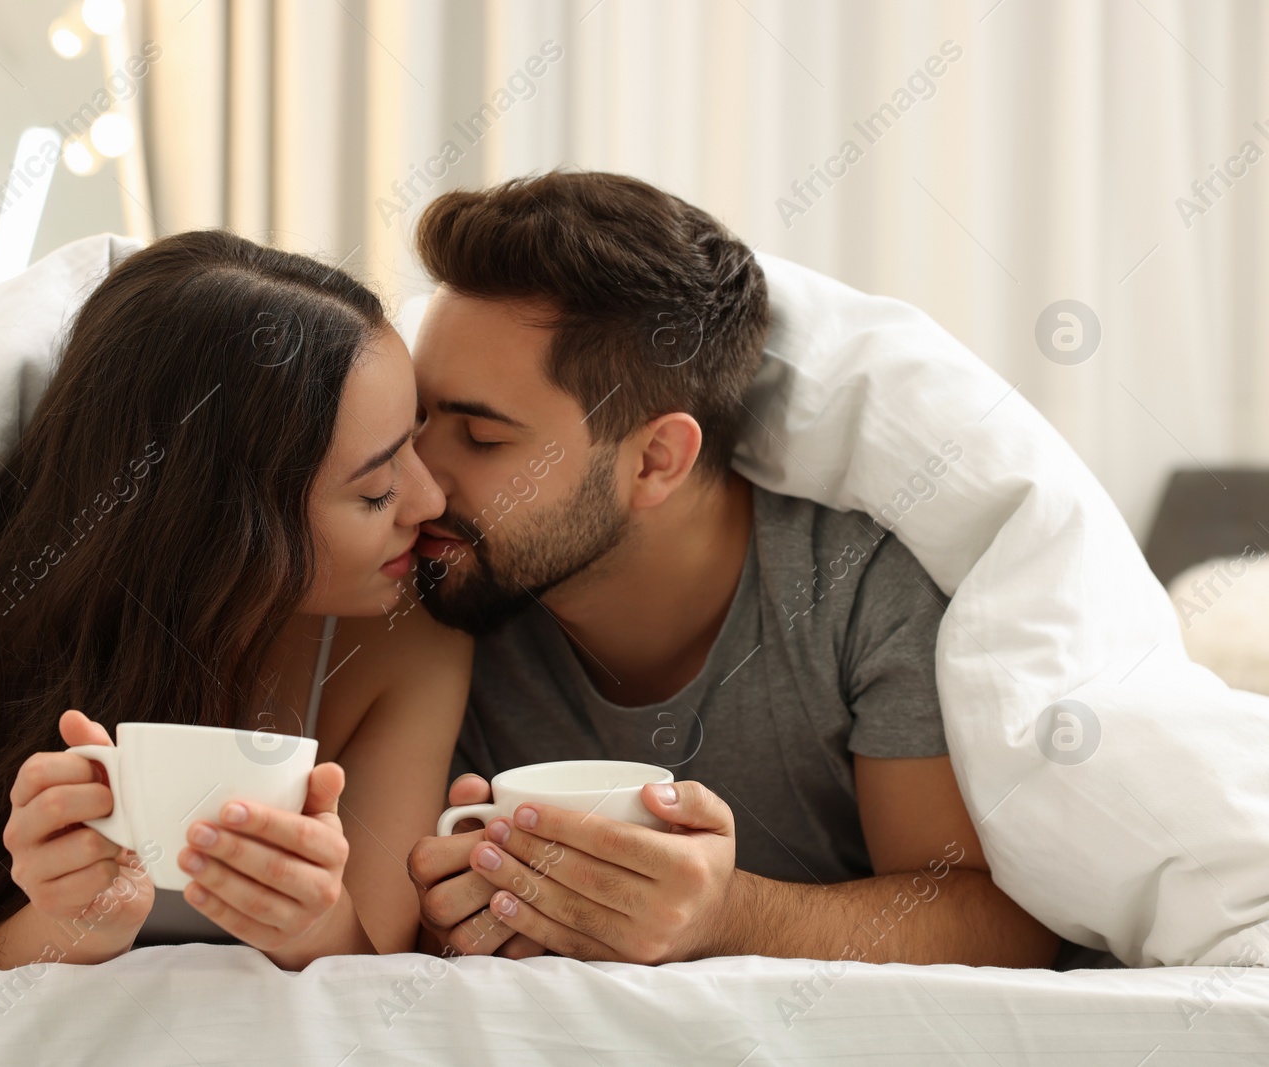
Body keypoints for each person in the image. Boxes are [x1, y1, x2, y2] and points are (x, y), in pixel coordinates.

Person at [402, 171, 1062, 968]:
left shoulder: (858, 589)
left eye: (479, 437)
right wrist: (443, 917)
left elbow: (995, 920)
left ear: (655, 459)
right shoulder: (435, 581)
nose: (414, 480)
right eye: (416, 418)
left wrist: (728, 915)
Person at [0, 230, 470, 971]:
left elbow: (377, 983)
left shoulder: (408, 639)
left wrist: (313, 928)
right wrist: (74, 924)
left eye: (412, 439)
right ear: (222, 528)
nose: (430, 497)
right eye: (377, 488)